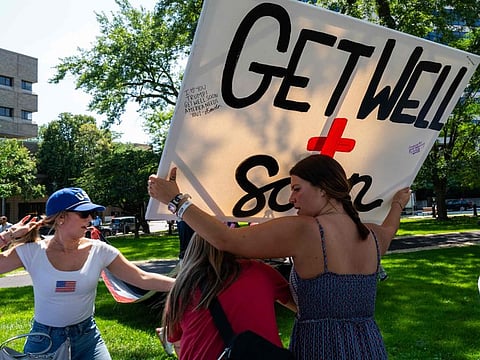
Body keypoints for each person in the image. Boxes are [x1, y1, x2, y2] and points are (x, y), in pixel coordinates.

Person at [148, 154, 411, 359]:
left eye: (297, 189)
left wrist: (176, 201)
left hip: (318, 347)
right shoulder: (374, 236)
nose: (291, 198)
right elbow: (391, 227)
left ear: (323, 188)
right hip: (369, 344)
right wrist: (398, 203)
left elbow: (227, 240)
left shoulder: (306, 230)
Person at [0, 187, 175, 360]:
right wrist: (6, 236)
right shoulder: (31, 251)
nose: (90, 218)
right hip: (44, 341)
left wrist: (183, 284)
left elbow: (142, 278)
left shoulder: (100, 251)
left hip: (88, 338)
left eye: (92, 213)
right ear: (61, 218)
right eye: (84, 214)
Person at [160, 232, 296, 359]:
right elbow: (301, 306)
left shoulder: (182, 287)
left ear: (192, 249)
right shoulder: (261, 272)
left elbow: (177, 341)